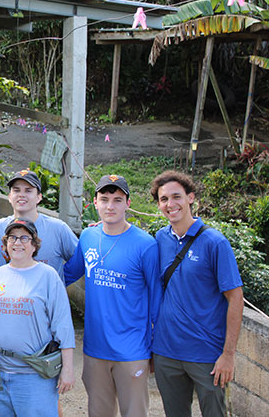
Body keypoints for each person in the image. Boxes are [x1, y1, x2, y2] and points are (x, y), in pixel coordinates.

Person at [64, 175, 161, 417]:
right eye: (104, 199)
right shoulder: (88, 237)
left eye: (117, 200)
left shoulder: (145, 245)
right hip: (95, 348)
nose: (110, 206)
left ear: (128, 203)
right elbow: (67, 274)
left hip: (132, 350)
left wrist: (155, 348)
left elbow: (157, 299)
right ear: (94, 203)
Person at [150, 171, 243, 417]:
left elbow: (235, 298)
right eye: (163, 199)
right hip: (166, 352)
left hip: (207, 355)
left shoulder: (215, 243)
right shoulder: (159, 239)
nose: (170, 204)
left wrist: (228, 355)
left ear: (190, 198)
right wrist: (103, 227)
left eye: (176, 197)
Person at [0, 218, 76, 417]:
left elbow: (63, 325)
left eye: (24, 238)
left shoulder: (48, 276)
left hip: (33, 375)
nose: (17, 242)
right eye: (12, 237)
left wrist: (68, 369)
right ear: (5, 244)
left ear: (34, 245)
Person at [0, 170, 78, 279]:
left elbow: (79, 261)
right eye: (16, 190)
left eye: (28, 191)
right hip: (11, 294)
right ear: (10, 196)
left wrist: (59, 281)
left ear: (39, 197)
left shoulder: (58, 228)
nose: (21, 195)